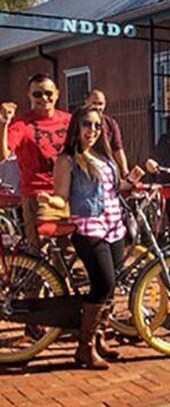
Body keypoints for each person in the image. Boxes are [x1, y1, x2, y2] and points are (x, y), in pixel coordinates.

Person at [37, 107, 128, 369]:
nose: (93, 130)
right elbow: (62, 195)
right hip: (89, 227)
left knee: (111, 287)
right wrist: (50, 199)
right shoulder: (68, 159)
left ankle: (99, 338)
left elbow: (114, 189)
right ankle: (84, 348)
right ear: (76, 126)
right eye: (87, 124)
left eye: (98, 126)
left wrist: (133, 182)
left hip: (114, 227)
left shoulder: (102, 156)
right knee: (102, 285)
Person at [0, 73, 72, 248]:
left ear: (57, 93)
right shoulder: (22, 123)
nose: (44, 98)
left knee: (68, 249)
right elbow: (3, 155)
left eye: (48, 93)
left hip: (67, 193)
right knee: (39, 251)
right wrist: (4, 123)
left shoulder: (68, 120)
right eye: (37, 94)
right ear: (29, 96)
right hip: (37, 195)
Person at [85, 89, 129, 178]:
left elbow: (118, 148)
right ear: (86, 102)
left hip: (107, 167)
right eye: (94, 103)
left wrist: (125, 171)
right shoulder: (80, 122)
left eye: (100, 104)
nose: (97, 107)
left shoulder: (110, 123)